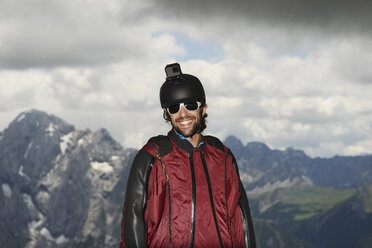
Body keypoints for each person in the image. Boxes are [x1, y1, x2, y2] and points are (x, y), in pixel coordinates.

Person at [120, 63, 256, 248]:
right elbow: (133, 221)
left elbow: (241, 220)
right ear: (167, 114)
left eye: (190, 105)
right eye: (174, 108)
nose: (183, 114)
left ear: (203, 108)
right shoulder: (153, 157)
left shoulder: (223, 157)